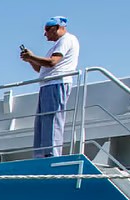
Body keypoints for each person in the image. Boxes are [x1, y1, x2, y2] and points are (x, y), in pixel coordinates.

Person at [20, 16, 79, 158]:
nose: (45, 34)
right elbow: (41, 69)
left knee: (52, 120)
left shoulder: (66, 40)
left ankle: (51, 154)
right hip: (48, 84)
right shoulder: (57, 45)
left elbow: (52, 62)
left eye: (47, 30)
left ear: (57, 28)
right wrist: (30, 59)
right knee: (42, 122)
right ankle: (42, 154)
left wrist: (32, 57)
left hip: (56, 83)